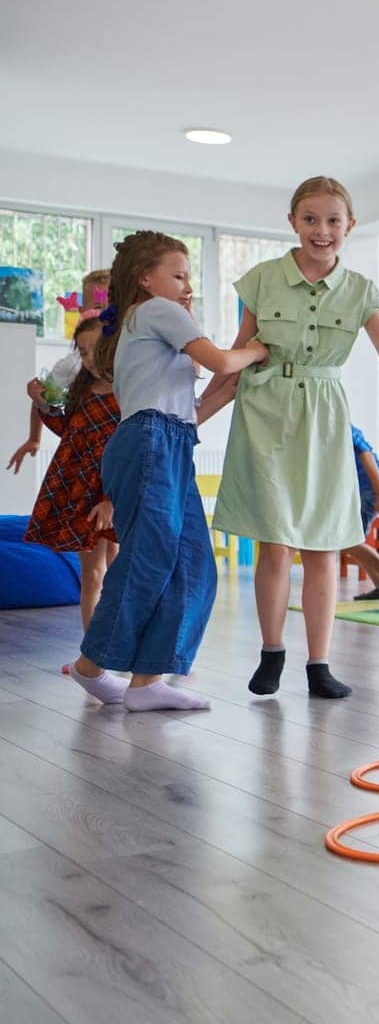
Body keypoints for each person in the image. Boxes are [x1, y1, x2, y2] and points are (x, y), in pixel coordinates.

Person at [203, 176, 379, 700]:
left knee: (323, 545)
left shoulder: (361, 289)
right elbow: (234, 354)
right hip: (265, 412)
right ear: (293, 223)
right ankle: (272, 653)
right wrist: (192, 416)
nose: (322, 230)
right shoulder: (262, 279)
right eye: (311, 219)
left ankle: (319, 664)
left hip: (323, 418)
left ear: (350, 226)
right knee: (274, 544)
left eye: (333, 220)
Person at [67, 232, 267, 710]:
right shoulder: (157, 310)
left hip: (171, 441)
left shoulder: (149, 324)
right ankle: (92, 665)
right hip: (150, 441)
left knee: (194, 562)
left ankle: (148, 681)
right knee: (149, 558)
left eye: (189, 277)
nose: (186, 285)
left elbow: (192, 410)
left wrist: (234, 383)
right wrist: (255, 350)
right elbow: (219, 359)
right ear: (145, 279)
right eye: (178, 275)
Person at [21, 316, 120, 637]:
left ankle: (121, 645)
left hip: (115, 491)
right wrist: (42, 403)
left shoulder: (130, 393)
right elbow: (68, 430)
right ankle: (92, 652)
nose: (88, 360)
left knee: (118, 570)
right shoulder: (82, 388)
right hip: (79, 489)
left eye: (95, 351)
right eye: (82, 352)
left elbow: (131, 455)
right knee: (92, 574)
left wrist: (110, 499)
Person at [7, 270, 111, 475]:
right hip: (84, 458)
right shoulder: (72, 363)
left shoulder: (132, 355)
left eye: (111, 308)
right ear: (83, 310)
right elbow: (43, 398)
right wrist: (34, 438)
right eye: (98, 307)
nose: (104, 315)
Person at [343, 424, 379, 600]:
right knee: (355, 539)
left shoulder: (344, 427)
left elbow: (366, 455)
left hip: (371, 486)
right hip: (366, 487)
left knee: (349, 539)